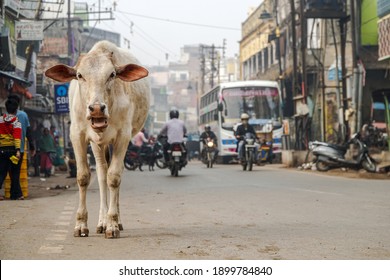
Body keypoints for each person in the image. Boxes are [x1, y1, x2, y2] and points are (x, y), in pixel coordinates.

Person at [7, 95, 36, 189]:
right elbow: (28, 132)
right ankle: (16, 193)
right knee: (16, 172)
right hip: (20, 149)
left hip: (6, 148)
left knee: (9, 171)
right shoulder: (23, 115)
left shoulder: (5, 117)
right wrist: (32, 147)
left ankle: (14, 192)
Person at [0, 98, 23, 200]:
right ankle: (15, 195)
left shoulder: (0, 120)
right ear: (16, 109)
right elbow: (17, 137)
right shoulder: (17, 122)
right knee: (14, 173)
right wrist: (18, 150)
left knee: (1, 172)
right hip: (12, 150)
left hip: (1, 150)